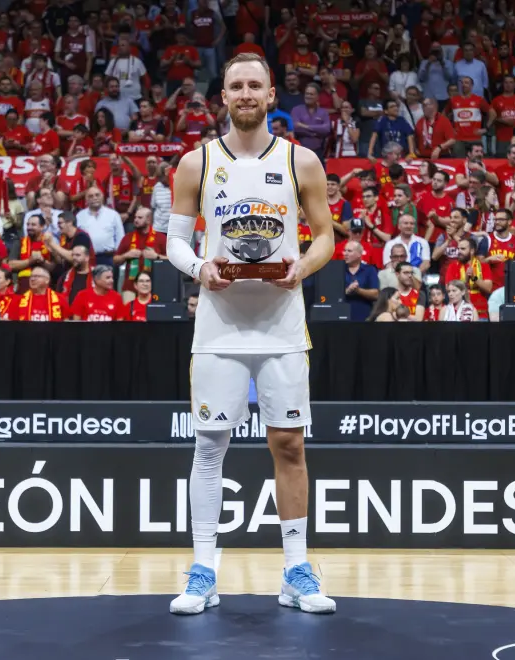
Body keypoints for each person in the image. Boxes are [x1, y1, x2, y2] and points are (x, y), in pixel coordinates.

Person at [163, 53, 336, 616]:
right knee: (209, 448)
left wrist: (302, 269)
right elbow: (176, 242)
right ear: (223, 96)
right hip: (219, 327)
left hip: (282, 326)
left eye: (254, 85)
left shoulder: (301, 160)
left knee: (289, 445)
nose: (244, 93)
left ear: (270, 95)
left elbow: (325, 238)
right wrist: (199, 270)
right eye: (235, 85)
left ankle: (296, 569)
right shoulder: (196, 162)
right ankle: (204, 569)